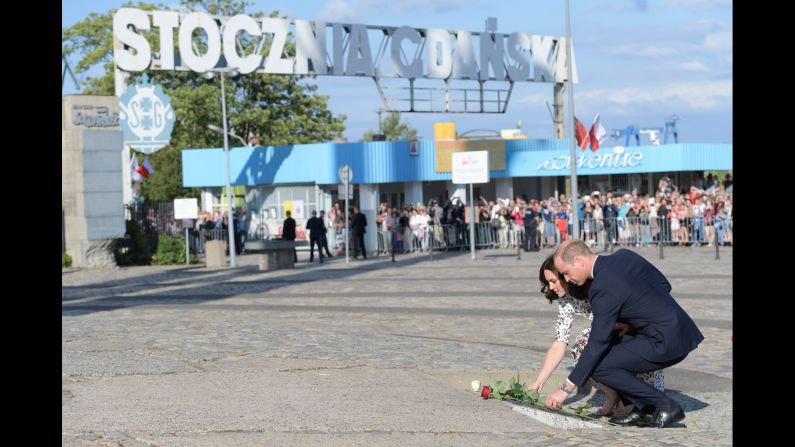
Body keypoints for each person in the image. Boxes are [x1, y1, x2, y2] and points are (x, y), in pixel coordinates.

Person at [546, 240, 704, 428]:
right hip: (678, 330)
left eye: (566, 272)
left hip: (665, 341)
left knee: (599, 366)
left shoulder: (601, 288)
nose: (567, 279)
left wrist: (565, 389)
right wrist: (633, 322)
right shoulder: (625, 256)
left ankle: (666, 405)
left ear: (579, 261)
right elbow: (663, 284)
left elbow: (597, 344)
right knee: (611, 349)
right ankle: (643, 408)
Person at [529, 256, 664, 418]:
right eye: (547, 283)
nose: (551, 287)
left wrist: (631, 324)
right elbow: (560, 341)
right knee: (582, 345)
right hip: (608, 340)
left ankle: (628, 397)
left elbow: (643, 302)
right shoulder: (565, 299)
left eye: (553, 281)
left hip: (636, 340)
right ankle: (613, 393)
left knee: (591, 341)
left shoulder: (597, 285)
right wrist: (540, 381)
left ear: (566, 275)